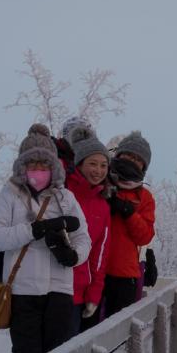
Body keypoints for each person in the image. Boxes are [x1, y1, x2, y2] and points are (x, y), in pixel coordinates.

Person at [0, 124, 91, 353]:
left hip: (59, 291)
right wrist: (33, 230)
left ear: (54, 167)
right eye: (32, 165)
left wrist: (74, 256)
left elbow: (83, 238)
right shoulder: (10, 195)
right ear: (22, 167)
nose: (39, 170)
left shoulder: (66, 198)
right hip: (24, 292)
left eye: (44, 165)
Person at [57, 119, 112, 331]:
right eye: (92, 164)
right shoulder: (62, 192)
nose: (98, 171)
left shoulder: (102, 205)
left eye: (103, 165)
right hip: (52, 289)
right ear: (79, 164)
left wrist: (94, 293)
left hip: (79, 294)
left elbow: (100, 254)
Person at [101, 130, 156, 315]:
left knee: (118, 337)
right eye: (129, 155)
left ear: (144, 166)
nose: (132, 161)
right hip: (94, 272)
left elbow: (145, 236)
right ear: (118, 154)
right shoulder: (101, 183)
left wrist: (129, 212)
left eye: (138, 159)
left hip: (124, 276)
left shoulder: (145, 197)